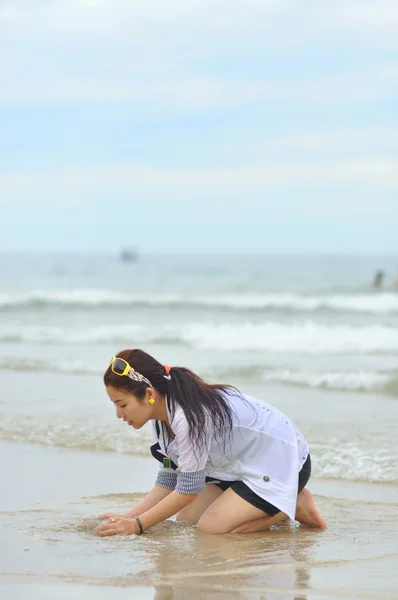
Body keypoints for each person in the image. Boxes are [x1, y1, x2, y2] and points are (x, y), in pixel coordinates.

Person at [96, 349, 327, 537]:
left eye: (122, 404)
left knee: (212, 529)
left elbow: (189, 489)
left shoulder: (187, 416)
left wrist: (137, 525)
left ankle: (291, 506)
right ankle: (274, 503)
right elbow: (170, 476)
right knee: (186, 519)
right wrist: (127, 517)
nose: (118, 414)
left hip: (284, 463)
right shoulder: (161, 418)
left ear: (148, 394)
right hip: (240, 467)